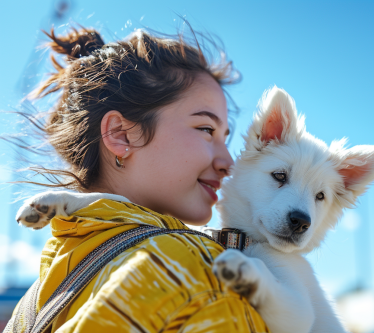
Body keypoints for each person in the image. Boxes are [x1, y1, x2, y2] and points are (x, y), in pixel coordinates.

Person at [5, 26, 269, 332]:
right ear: (120, 134)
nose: (228, 163)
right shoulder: (198, 272)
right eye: (206, 129)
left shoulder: (36, 299)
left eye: (225, 137)